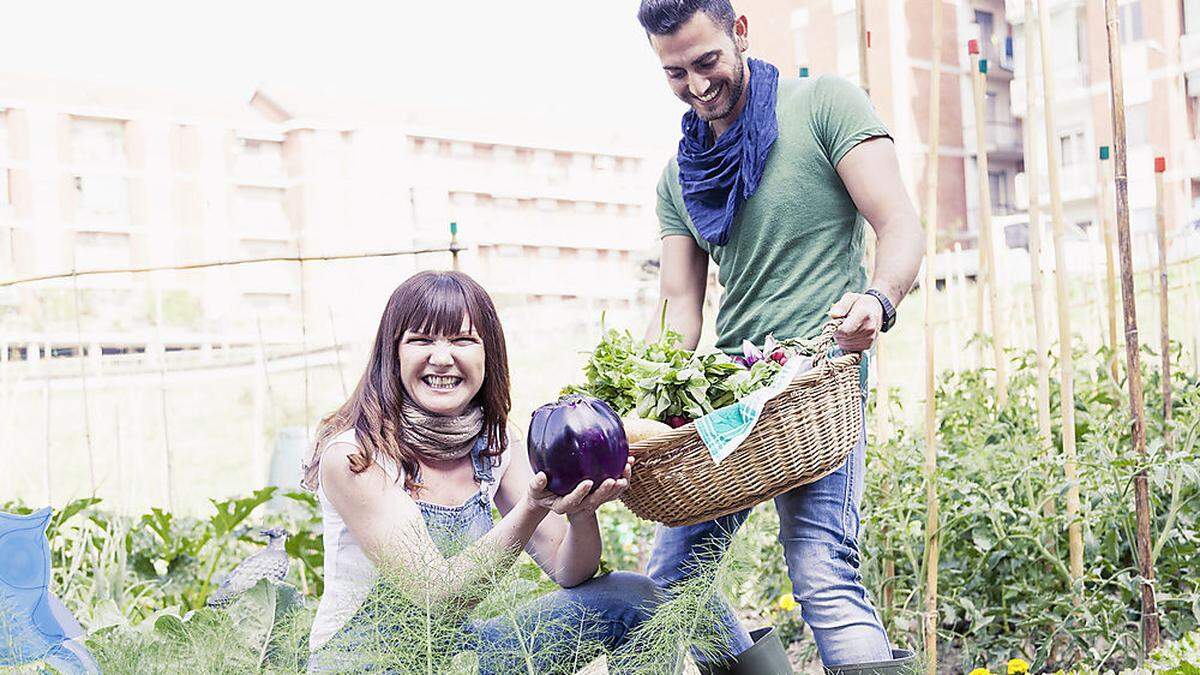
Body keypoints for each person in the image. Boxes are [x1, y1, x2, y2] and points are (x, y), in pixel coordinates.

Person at [636, 1, 925, 673]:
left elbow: (900, 223)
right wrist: (633, 395)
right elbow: (680, 308)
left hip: (818, 383)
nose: (698, 85)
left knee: (821, 566)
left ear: (739, 32)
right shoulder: (678, 178)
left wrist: (878, 301)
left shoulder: (825, 104)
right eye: (676, 73)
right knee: (673, 575)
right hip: (732, 400)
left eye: (707, 61)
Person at [301, 270, 657, 673]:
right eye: (420, 340)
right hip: (368, 662)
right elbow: (435, 592)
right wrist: (533, 505)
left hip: (459, 654)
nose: (441, 357)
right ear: (393, 354)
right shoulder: (356, 456)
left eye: (462, 340)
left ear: (488, 354)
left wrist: (580, 514)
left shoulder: (495, 443)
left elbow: (568, 569)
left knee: (633, 597)